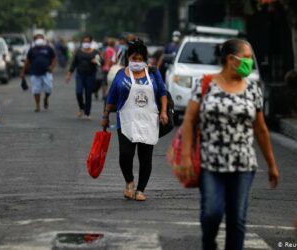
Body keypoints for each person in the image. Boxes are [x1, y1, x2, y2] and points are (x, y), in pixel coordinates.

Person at [180, 39, 279, 250]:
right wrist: (186, 157)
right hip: (211, 163)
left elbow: (260, 129)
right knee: (211, 213)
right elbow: (189, 121)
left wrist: (271, 164)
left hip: (243, 165)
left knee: (237, 220)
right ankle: (209, 244)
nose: (250, 62)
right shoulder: (205, 85)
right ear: (231, 60)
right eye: (247, 58)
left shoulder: (253, 90)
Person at [101, 39, 168, 201]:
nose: (136, 62)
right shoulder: (120, 74)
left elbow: (162, 93)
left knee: (145, 157)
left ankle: (140, 189)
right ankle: (129, 182)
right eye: (133, 59)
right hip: (125, 121)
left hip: (148, 120)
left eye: (139, 59)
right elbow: (111, 97)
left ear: (144, 59)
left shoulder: (153, 73)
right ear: (128, 59)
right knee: (125, 154)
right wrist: (105, 115)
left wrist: (164, 112)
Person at [66, 35, 100, 119]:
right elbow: (74, 63)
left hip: (91, 75)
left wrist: (96, 61)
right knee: (79, 92)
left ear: (90, 42)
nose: (86, 43)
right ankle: (82, 107)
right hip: (80, 75)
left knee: (88, 94)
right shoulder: (78, 52)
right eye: (84, 41)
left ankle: (87, 113)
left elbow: (100, 61)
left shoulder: (95, 52)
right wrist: (69, 74)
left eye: (88, 41)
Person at [21, 33, 56, 112]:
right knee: (36, 90)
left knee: (49, 88)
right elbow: (27, 61)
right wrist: (23, 71)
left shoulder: (48, 48)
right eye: (37, 38)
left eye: (41, 38)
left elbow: (54, 58)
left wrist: (52, 67)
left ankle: (46, 98)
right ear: (34, 40)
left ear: (43, 40)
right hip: (35, 72)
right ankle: (37, 106)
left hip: (47, 72)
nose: (39, 40)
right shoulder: (32, 49)